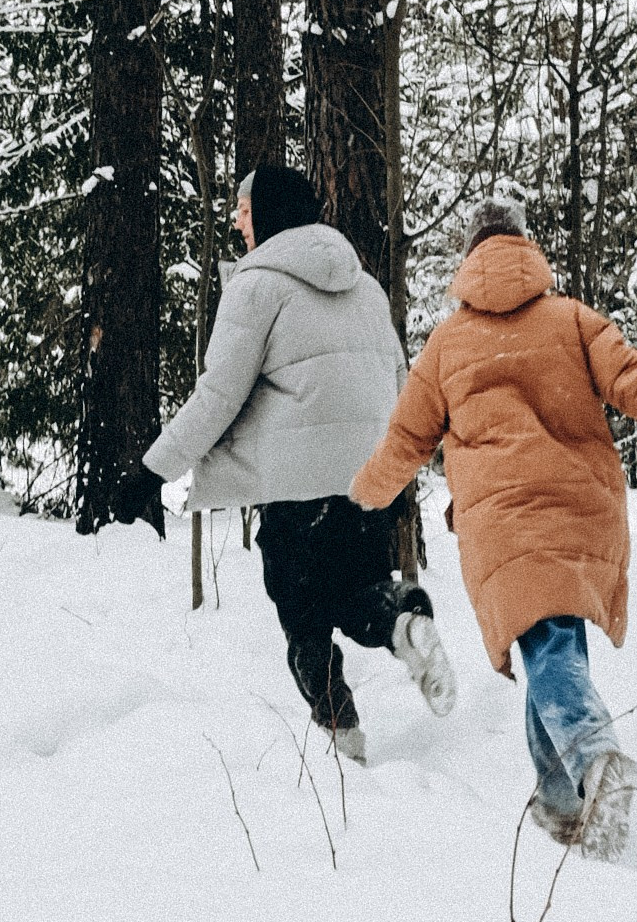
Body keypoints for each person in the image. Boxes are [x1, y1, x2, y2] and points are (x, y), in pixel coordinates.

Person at [350, 196, 637, 858]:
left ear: (468, 259)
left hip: (501, 525)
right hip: (579, 513)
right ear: (523, 248)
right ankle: (560, 808)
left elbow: (404, 442)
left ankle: (594, 757)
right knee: (549, 644)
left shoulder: (445, 345)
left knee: (545, 647)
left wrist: (358, 497)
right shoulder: (572, 320)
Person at [145, 160, 459, 762]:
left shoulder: (256, 286)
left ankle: (343, 735)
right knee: (361, 590)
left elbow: (219, 394)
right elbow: (402, 382)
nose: (239, 224)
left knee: (303, 615)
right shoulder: (365, 287)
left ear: (268, 214)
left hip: (298, 488)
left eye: (244, 211)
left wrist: (154, 468)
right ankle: (401, 623)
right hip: (374, 479)